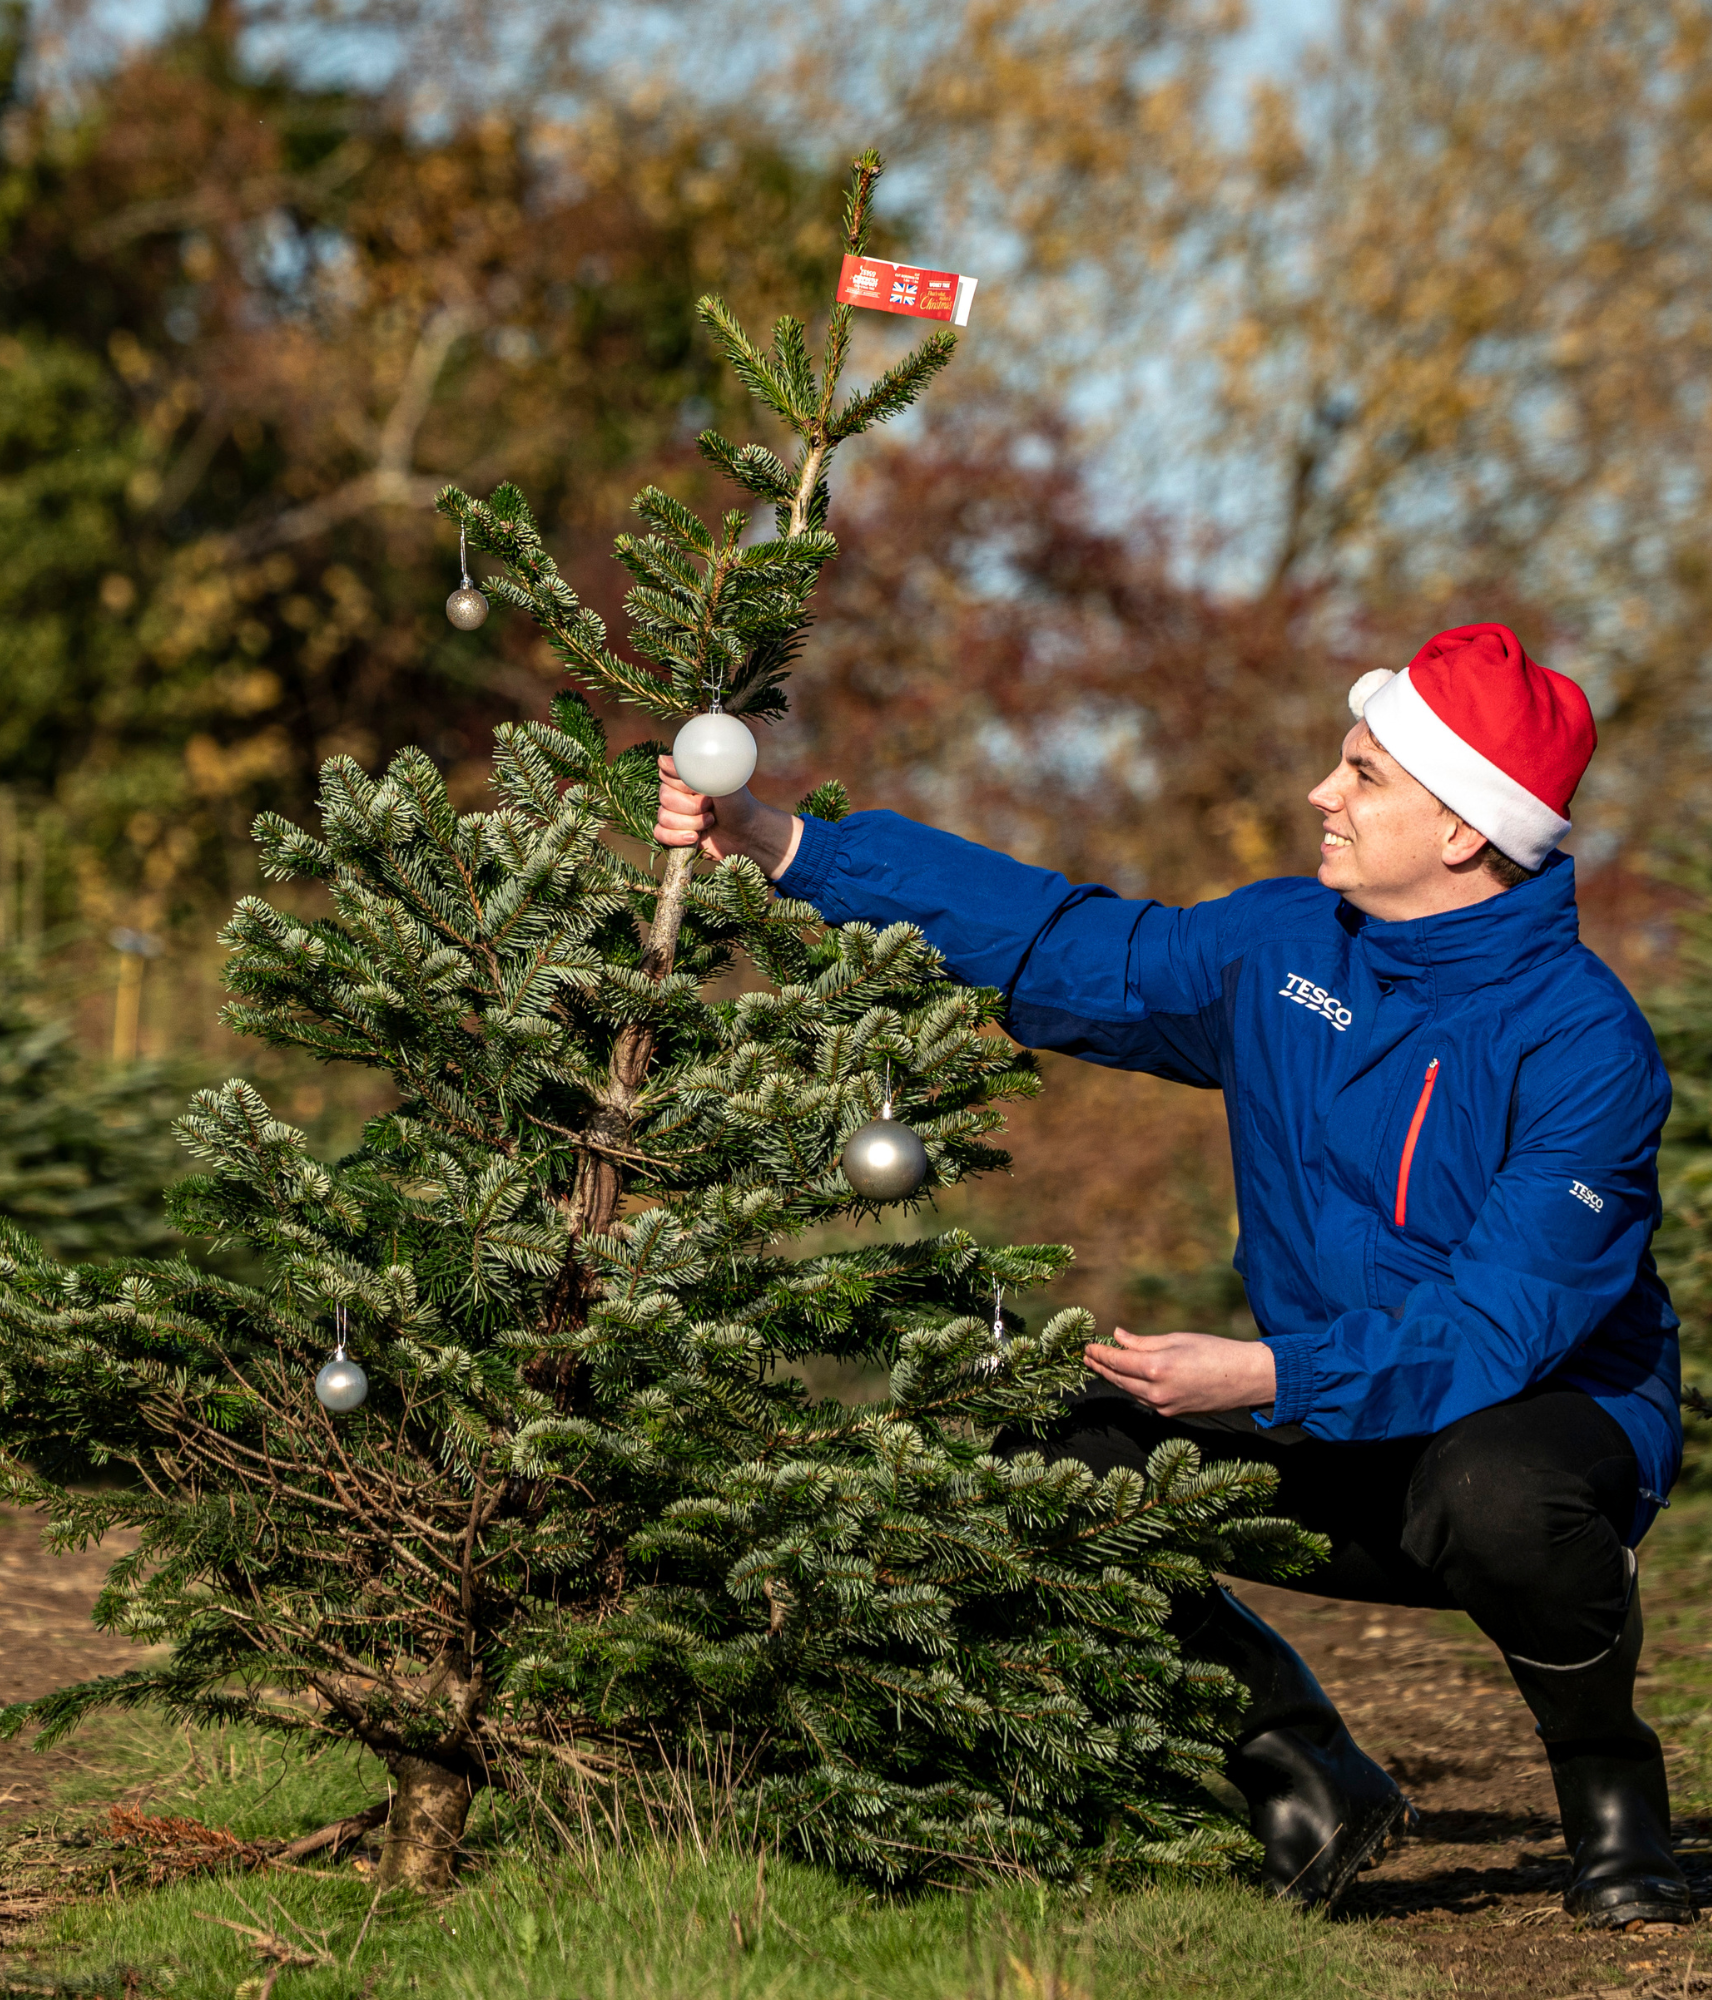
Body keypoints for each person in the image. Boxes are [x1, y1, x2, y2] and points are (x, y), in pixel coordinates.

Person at [655, 622, 1690, 1925]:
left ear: (1462, 832)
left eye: (1365, 774)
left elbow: (1501, 1322)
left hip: (1540, 1420)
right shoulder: (1284, 943)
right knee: (1068, 1452)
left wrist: (1264, 1371)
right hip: (1333, 1395)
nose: (1324, 792)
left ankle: (1610, 1794)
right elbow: (1068, 944)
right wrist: (785, 844)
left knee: (1495, 1488)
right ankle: (1301, 1771)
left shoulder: (1586, 1043)